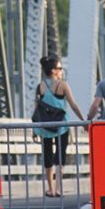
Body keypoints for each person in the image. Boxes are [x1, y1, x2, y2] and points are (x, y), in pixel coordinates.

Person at [33, 53, 84, 198]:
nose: (62, 71)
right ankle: (58, 188)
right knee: (60, 158)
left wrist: (34, 129)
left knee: (48, 157)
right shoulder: (63, 85)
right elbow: (73, 105)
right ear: (54, 71)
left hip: (44, 127)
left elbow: (36, 109)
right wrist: (83, 121)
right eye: (60, 68)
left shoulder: (40, 86)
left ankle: (50, 189)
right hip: (62, 126)